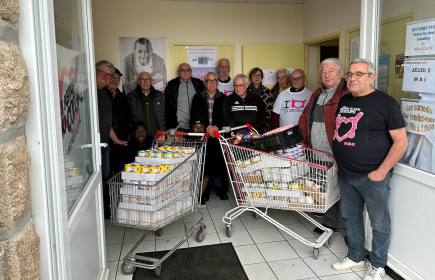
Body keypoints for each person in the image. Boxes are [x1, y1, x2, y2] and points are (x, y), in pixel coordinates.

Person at [331, 58, 408, 280]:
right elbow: (340, 131)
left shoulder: (386, 103)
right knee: (351, 216)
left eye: (359, 74)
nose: (352, 78)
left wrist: (381, 172)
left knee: (379, 221)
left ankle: (378, 264)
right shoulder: (345, 100)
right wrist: (338, 158)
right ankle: (356, 256)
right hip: (345, 174)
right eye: (350, 74)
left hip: (372, 176)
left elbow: (401, 141)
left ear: (371, 77)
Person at [298, 58, 349, 236]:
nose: (327, 75)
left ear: (341, 73)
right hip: (317, 152)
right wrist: (303, 139)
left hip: (337, 153)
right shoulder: (317, 93)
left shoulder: (347, 94)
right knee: (326, 188)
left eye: (331, 71)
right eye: (323, 72)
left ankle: (345, 229)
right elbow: (305, 117)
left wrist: (341, 152)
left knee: (342, 190)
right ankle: (330, 223)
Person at [95, 60, 128, 219]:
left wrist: (116, 140)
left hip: (105, 143)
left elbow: (106, 123)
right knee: (96, 179)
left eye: (109, 74)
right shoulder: (89, 92)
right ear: (95, 71)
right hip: (92, 145)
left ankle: (104, 208)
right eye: (103, 73)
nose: (106, 77)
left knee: (105, 177)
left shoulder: (102, 93)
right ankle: (98, 211)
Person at [190, 72, 229, 200]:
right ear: (204, 83)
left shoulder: (223, 98)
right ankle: (205, 190)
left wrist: (216, 127)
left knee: (222, 162)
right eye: (209, 81)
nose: (212, 83)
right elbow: (194, 117)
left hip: (219, 134)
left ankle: (222, 189)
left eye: (214, 81)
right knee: (204, 162)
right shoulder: (198, 97)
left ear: (217, 83)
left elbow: (226, 118)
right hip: (204, 135)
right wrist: (207, 129)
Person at [189, 114, 224, 205]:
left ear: (205, 128)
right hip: (190, 174)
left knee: (217, 181)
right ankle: (194, 193)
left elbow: (213, 162)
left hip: (203, 173)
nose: (199, 130)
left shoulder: (210, 142)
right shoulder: (187, 139)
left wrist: (205, 179)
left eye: (201, 127)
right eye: (195, 127)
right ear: (191, 128)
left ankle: (203, 191)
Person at [164, 63, 204, 131]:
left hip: (197, 127)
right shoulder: (171, 86)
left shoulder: (199, 84)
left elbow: (205, 104)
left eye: (188, 70)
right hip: (179, 127)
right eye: (182, 70)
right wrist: (173, 124)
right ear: (178, 72)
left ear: (191, 72)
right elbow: (168, 108)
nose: (185, 72)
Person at [106, 68, 131, 176]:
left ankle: (119, 191)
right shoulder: (102, 95)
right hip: (106, 140)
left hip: (122, 139)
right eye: (112, 77)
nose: (115, 80)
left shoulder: (123, 97)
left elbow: (128, 117)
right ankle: (108, 192)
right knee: (106, 170)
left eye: (117, 78)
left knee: (120, 169)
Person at [127, 71, 166, 137]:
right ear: (138, 82)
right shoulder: (131, 96)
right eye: (142, 79)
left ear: (151, 81)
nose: (145, 81)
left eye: (147, 79)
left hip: (158, 136)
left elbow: (165, 115)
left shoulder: (159, 96)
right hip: (139, 138)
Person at [247, 67, 274, 132]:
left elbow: (271, 110)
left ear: (262, 77)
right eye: (254, 75)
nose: (257, 77)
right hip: (249, 126)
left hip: (265, 126)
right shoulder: (245, 91)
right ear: (251, 78)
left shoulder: (268, 92)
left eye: (259, 75)